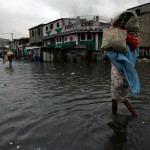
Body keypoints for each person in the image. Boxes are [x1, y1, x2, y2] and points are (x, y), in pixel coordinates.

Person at [104, 11, 140, 117]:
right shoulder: (133, 46)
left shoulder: (119, 44)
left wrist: (114, 25)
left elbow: (108, 52)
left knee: (114, 99)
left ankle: (114, 118)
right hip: (127, 77)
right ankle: (135, 115)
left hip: (118, 76)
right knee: (124, 99)